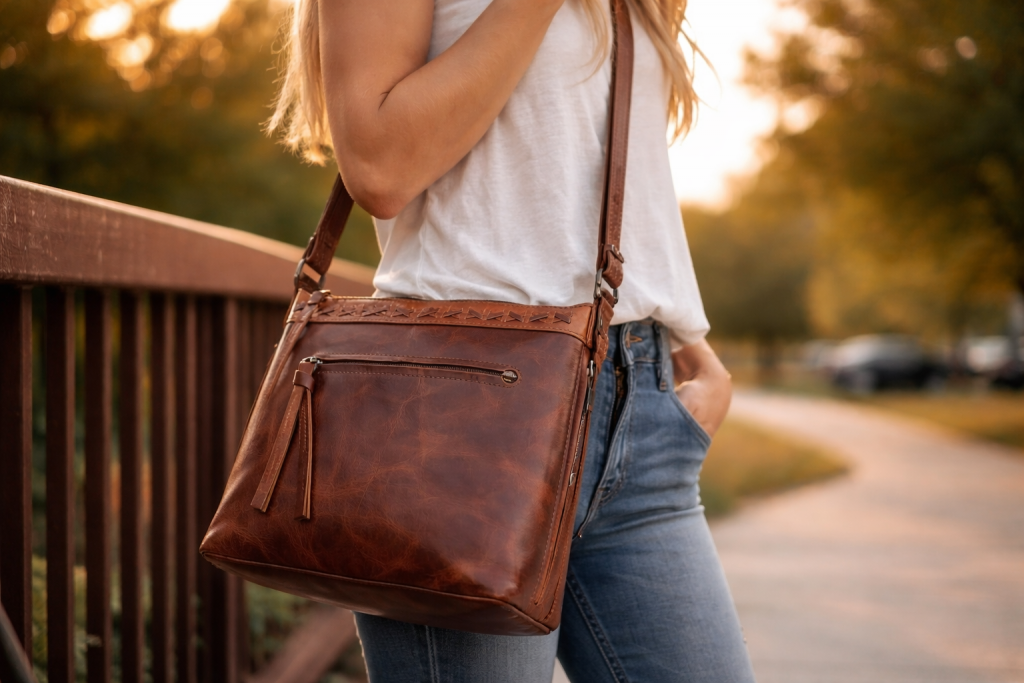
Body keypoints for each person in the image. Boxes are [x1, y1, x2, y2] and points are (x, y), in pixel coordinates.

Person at [269, 0, 756, 680]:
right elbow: (377, 167)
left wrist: (687, 334)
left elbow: (605, 158)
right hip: (463, 419)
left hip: (637, 416)